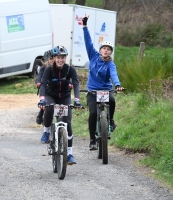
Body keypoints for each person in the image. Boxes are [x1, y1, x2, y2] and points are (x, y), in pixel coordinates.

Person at [82, 16, 124, 150]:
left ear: (111, 52)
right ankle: (92, 140)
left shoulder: (111, 64)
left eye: (109, 49)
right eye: (104, 48)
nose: (106, 50)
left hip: (106, 90)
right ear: (100, 50)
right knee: (93, 113)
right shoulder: (93, 56)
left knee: (112, 100)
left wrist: (117, 85)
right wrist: (84, 26)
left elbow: (114, 75)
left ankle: (110, 120)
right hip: (92, 92)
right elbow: (88, 41)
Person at [38, 45, 82, 165]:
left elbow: (76, 84)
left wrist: (77, 99)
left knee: (67, 122)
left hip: (65, 96)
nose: (60, 60)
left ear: (65, 58)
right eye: (58, 57)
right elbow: (42, 84)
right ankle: (46, 130)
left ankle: (69, 154)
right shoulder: (48, 69)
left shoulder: (69, 69)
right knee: (50, 108)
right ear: (54, 57)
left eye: (63, 57)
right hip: (51, 95)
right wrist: (42, 99)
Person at [35, 50, 54, 125]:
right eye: (50, 58)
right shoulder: (44, 68)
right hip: (46, 87)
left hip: (56, 88)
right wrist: (38, 81)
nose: (52, 60)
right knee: (45, 102)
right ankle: (41, 115)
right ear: (47, 59)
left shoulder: (59, 67)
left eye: (53, 58)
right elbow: (39, 76)